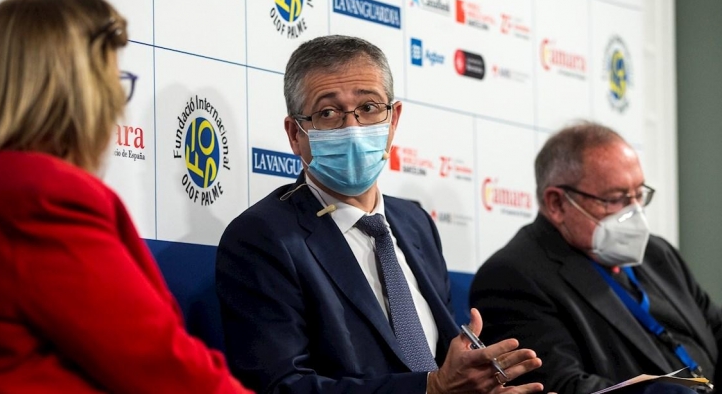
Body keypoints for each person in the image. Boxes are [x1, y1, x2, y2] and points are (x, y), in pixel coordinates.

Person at [0, 0, 250, 393]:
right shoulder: (42, 196)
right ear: (79, 93)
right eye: (114, 82)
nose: (117, 103)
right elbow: (159, 365)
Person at [216, 35, 544, 394]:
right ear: (296, 134)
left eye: (369, 107)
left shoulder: (415, 223)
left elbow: (447, 371)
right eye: (328, 113)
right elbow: (281, 387)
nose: (353, 128)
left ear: (394, 119)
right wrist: (430, 389)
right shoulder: (263, 238)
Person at [470, 121, 722, 394]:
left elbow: (720, 332)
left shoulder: (658, 253)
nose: (635, 212)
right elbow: (561, 385)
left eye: (639, 194)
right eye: (616, 199)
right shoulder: (513, 277)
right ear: (557, 204)